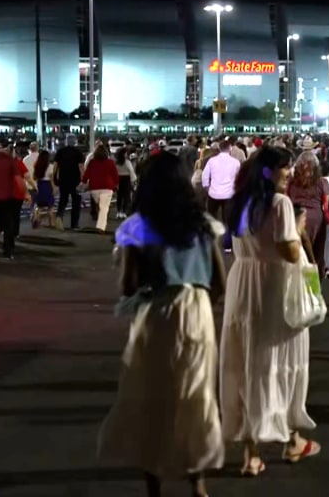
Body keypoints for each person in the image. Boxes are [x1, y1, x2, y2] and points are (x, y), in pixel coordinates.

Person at [99, 153, 227, 497]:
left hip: (155, 313)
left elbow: (128, 285)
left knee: (151, 398)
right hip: (197, 312)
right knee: (196, 396)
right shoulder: (203, 225)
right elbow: (220, 283)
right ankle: (197, 482)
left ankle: (153, 484)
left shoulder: (137, 227)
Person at [219, 146, 320, 477]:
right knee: (282, 362)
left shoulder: (239, 204)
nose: (290, 172)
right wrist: (300, 230)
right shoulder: (280, 204)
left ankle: (252, 454)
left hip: (243, 283)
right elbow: (290, 252)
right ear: (268, 171)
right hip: (274, 286)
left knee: (248, 363)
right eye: (285, 167)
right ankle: (291, 439)